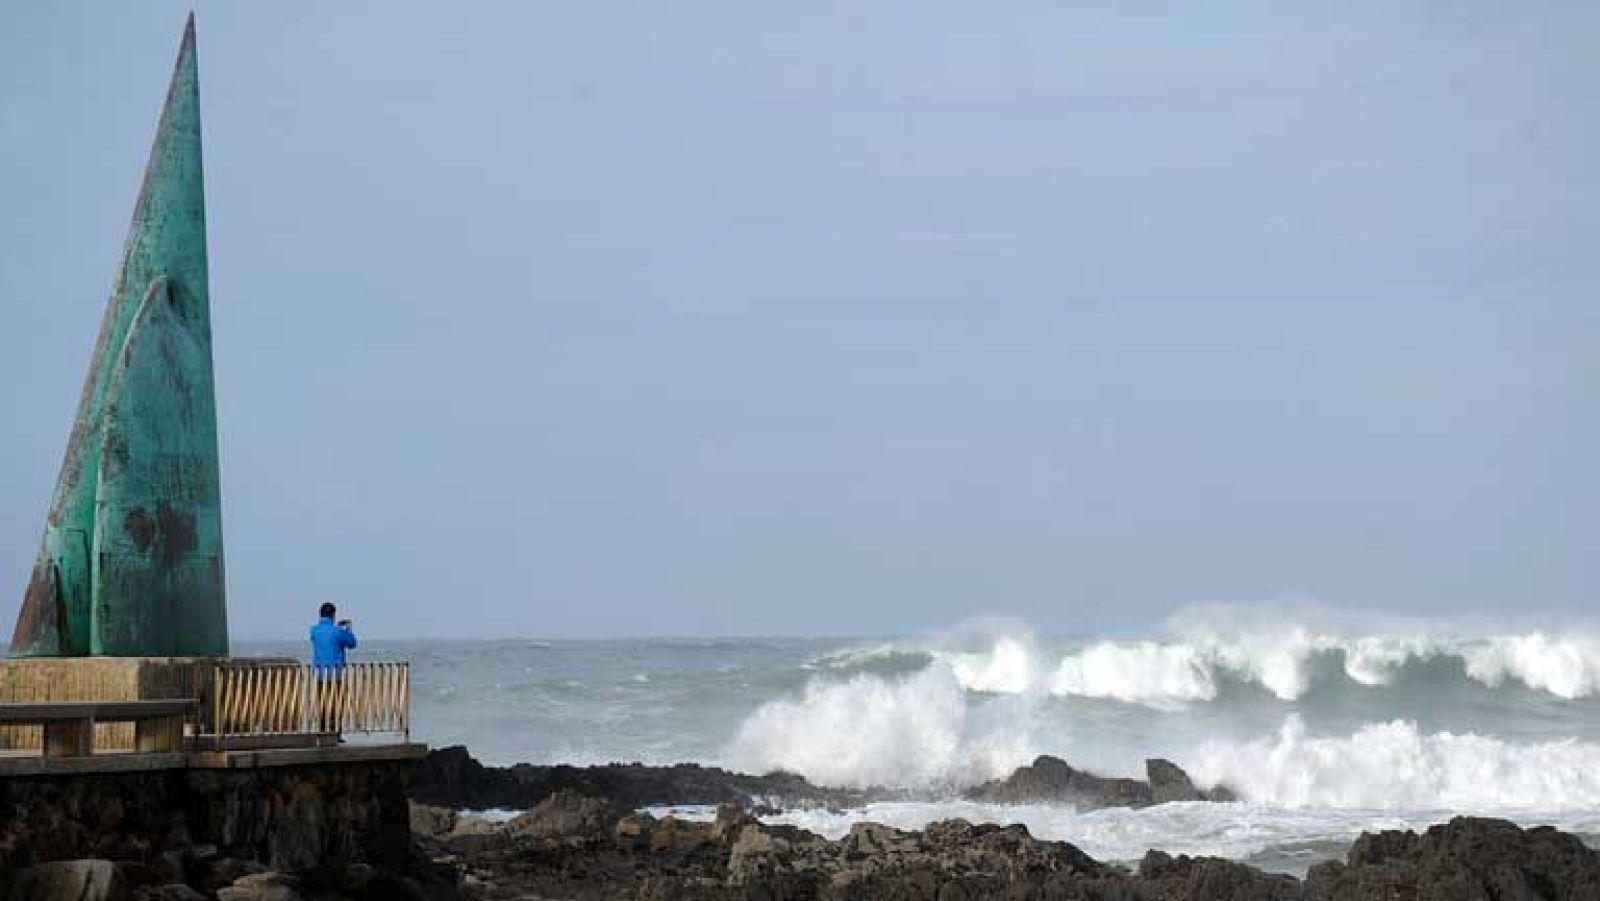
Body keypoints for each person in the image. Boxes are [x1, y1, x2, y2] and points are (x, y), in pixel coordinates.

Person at [310, 602, 357, 736]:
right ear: (333, 615)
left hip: (320, 674)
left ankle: (323, 732)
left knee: (323, 704)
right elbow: (352, 643)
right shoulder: (338, 632)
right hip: (335, 674)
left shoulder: (314, 630)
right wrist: (348, 628)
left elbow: (323, 638)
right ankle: (335, 733)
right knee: (336, 704)